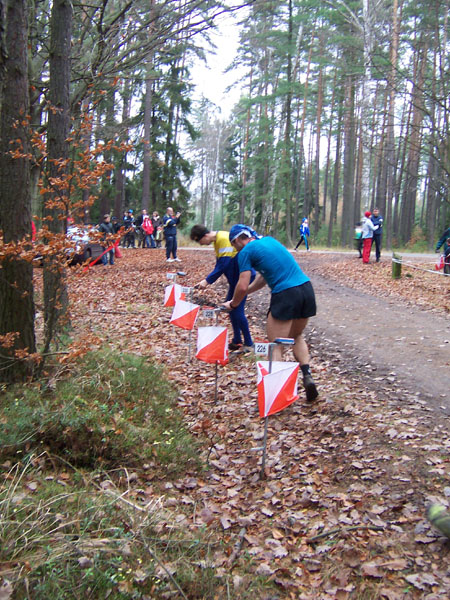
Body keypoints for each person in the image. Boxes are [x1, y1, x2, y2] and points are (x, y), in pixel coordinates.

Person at [222, 224, 318, 402]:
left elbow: (241, 285)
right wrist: (245, 294)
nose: (235, 249)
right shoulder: (269, 241)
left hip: (286, 293)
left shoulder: (244, 252)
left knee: (275, 345)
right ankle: (307, 374)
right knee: (296, 336)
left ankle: (277, 395)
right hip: (306, 290)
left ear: (236, 240)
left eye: (234, 245)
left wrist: (234, 304)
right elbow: (263, 278)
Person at [190, 225, 254, 352]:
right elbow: (220, 264)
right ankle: (237, 340)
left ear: (204, 236)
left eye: (199, 241)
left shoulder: (223, 239)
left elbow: (223, 265)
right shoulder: (217, 241)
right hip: (235, 281)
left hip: (242, 280)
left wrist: (207, 281)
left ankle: (249, 343)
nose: (201, 244)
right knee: (230, 308)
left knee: (237, 309)